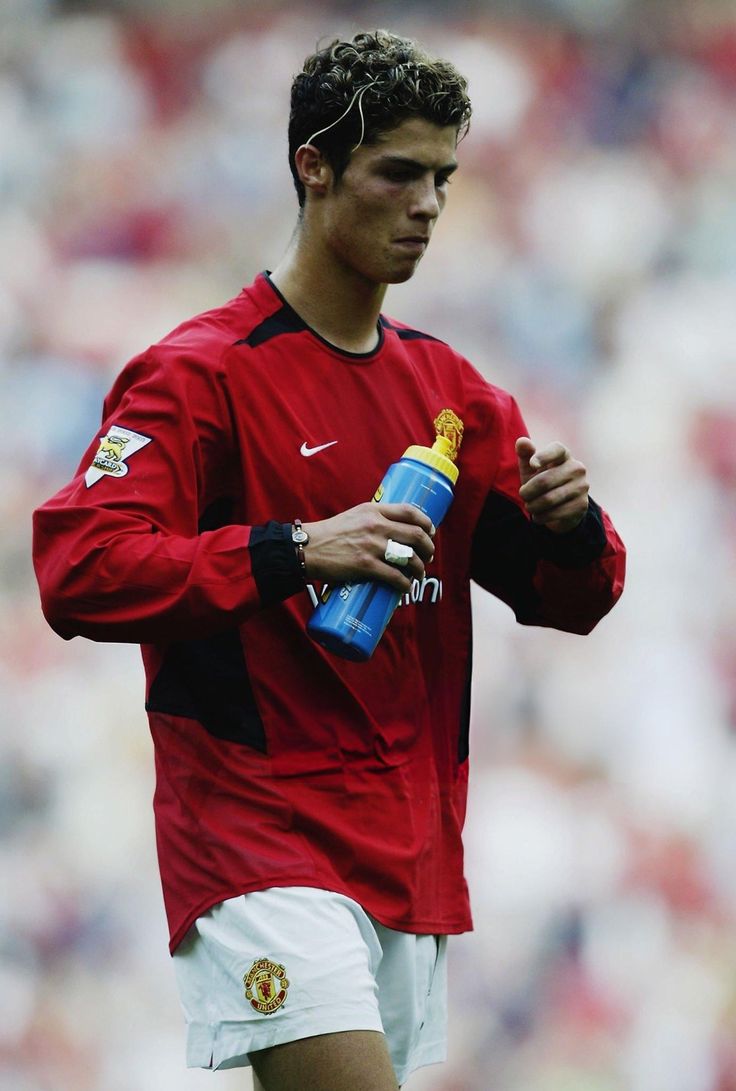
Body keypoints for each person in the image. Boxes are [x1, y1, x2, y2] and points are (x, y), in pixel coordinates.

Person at [32, 28, 626, 1091]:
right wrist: (299, 550)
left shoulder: (451, 393)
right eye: (398, 172)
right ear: (314, 165)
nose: (430, 206)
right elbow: (80, 567)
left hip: (407, 853)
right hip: (257, 844)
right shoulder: (198, 375)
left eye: (442, 177)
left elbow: (569, 599)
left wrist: (570, 524)